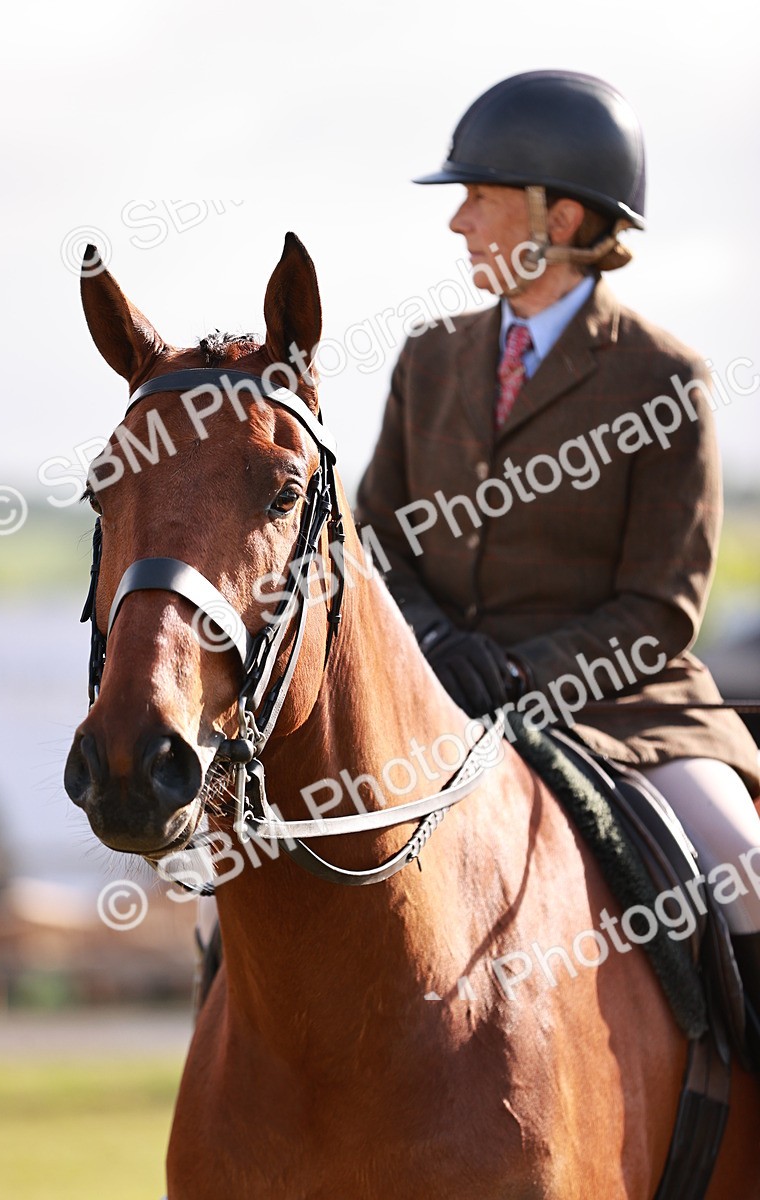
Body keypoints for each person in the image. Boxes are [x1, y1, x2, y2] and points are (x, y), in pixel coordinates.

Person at [355, 69, 760, 1061]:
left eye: (479, 198)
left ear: (558, 214)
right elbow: (374, 539)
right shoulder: (427, 358)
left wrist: (529, 671)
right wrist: (438, 644)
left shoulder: (660, 377)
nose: (457, 223)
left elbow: (660, 607)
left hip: (620, 708)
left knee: (741, 868)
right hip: (437, 693)